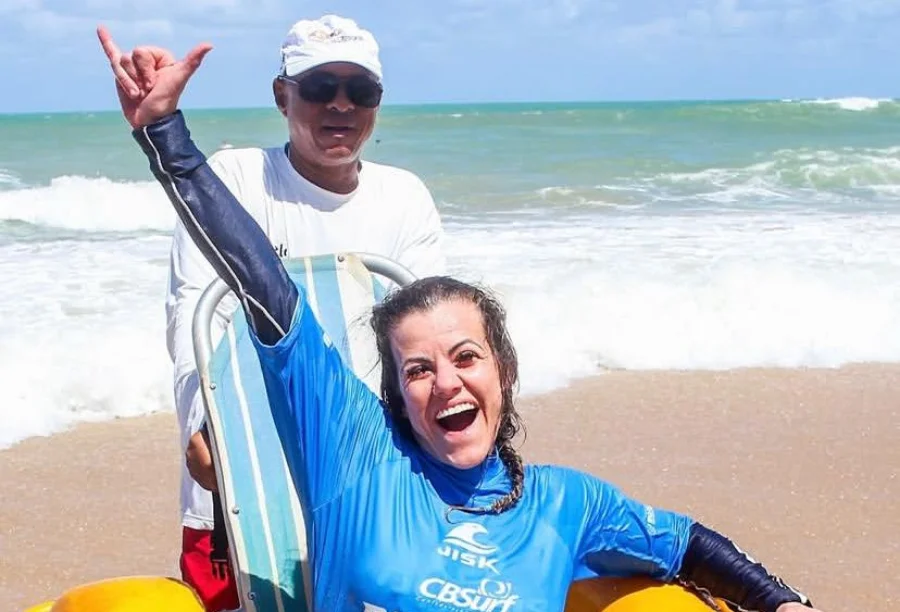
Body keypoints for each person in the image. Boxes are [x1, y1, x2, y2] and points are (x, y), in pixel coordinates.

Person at [121, 32, 822, 612]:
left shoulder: (563, 501)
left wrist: (783, 602)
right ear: (396, 391)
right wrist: (164, 133)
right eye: (418, 369)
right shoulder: (357, 458)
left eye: (465, 357)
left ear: (505, 371)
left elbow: (683, 543)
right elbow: (263, 284)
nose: (447, 383)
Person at [97, 15, 445, 612]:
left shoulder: (404, 197)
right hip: (243, 482)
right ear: (283, 96)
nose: (341, 105)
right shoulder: (235, 178)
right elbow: (194, 315)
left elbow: (427, 336)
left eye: (360, 90)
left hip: (368, 487)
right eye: (320, 87)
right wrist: (204, 426)